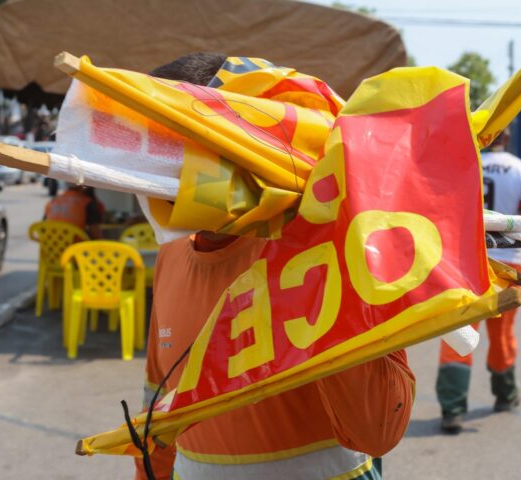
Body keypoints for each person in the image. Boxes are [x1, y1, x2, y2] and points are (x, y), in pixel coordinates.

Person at [136, 53, 415, 480]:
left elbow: (378, 430)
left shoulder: (323, 248)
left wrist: (327, 253)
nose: (140, 174)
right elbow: (158, 404)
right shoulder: (173, 255)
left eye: (166, 147)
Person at [435, 129, 521, 434]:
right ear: (507, 138)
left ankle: (452, 409)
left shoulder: (464, 167)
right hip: (507, 268)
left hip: (464, 268)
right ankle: (505, 394)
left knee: (459, 338)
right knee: (502, 336)